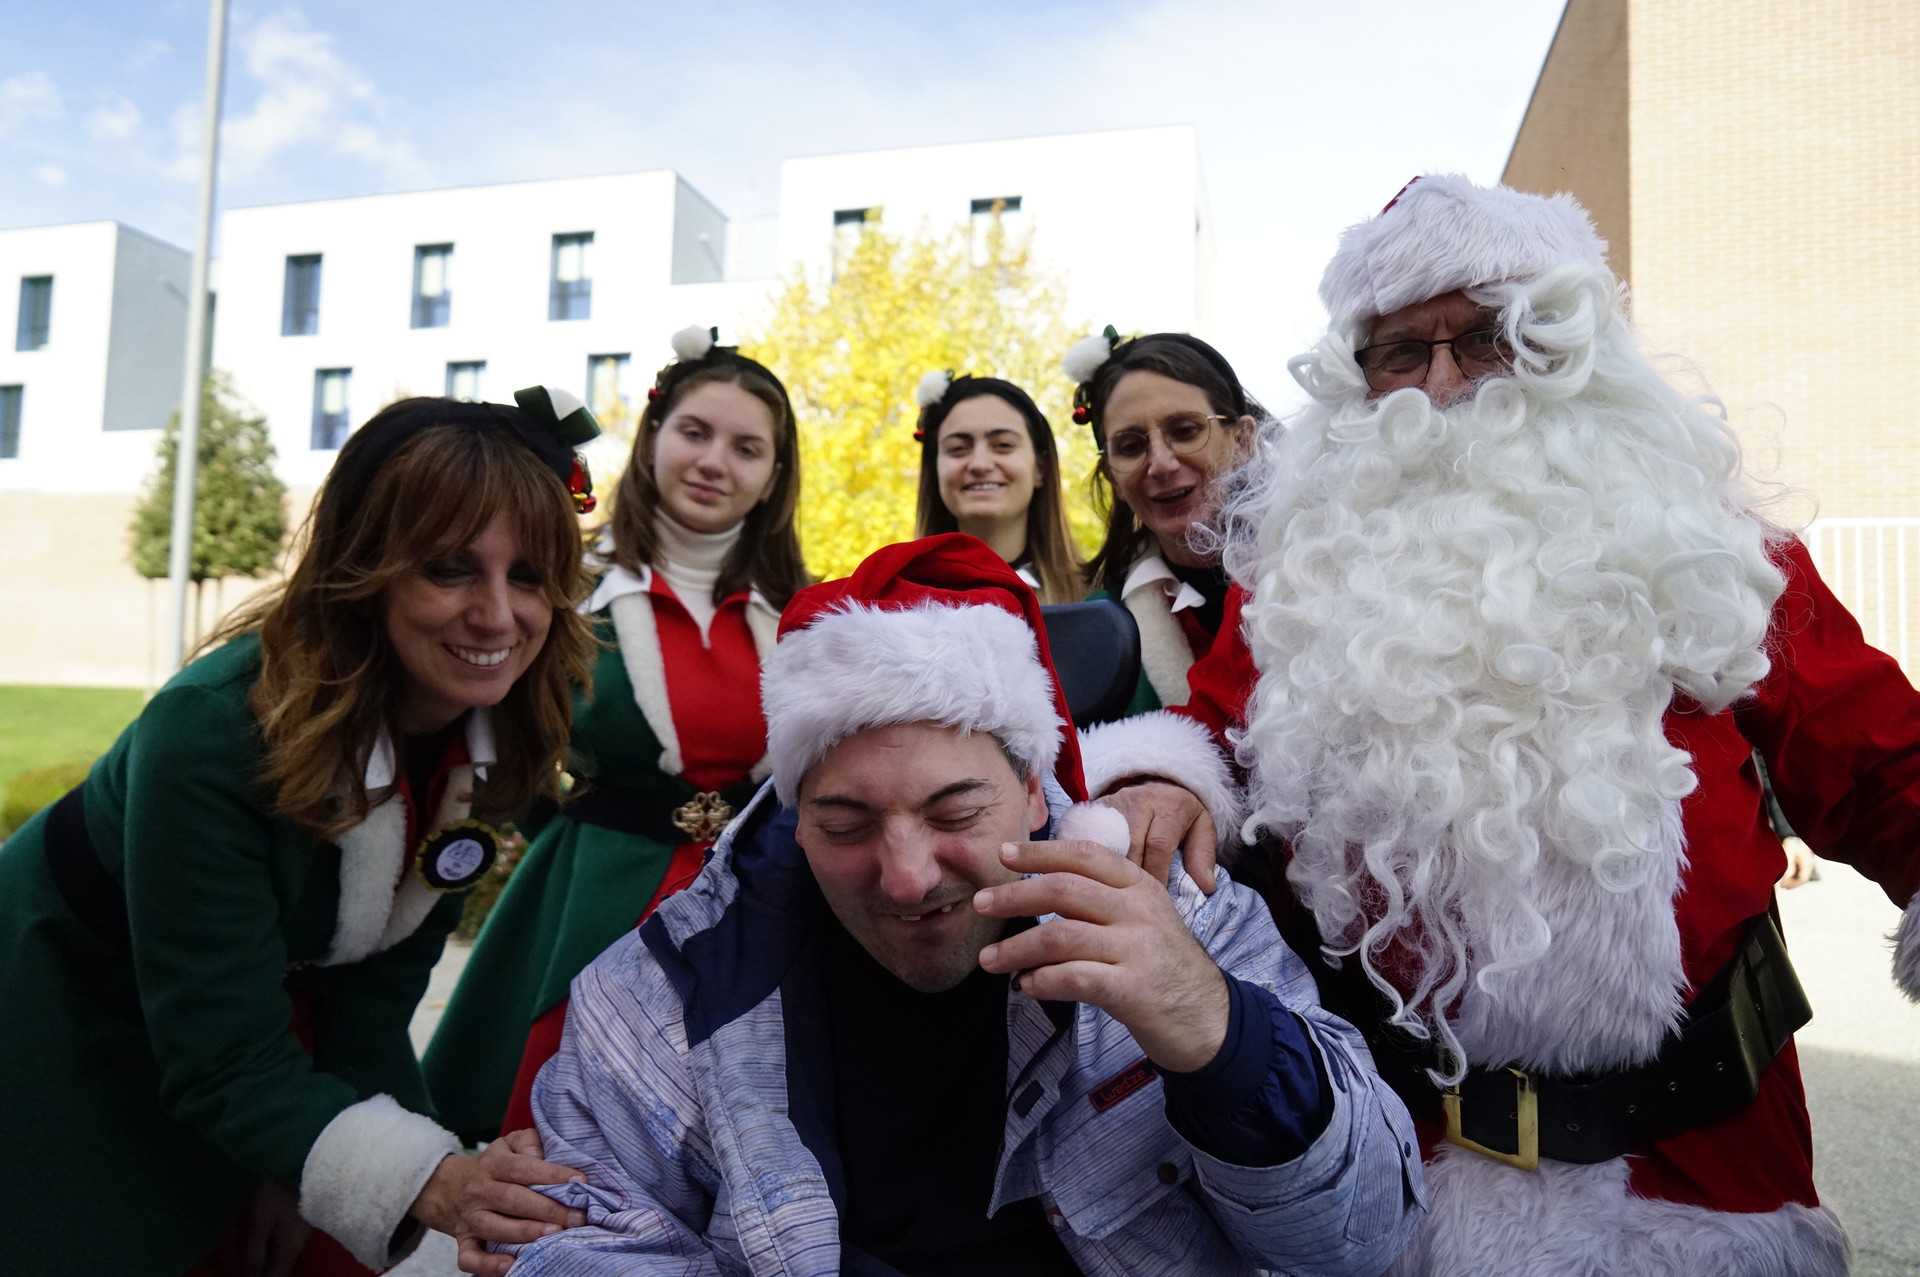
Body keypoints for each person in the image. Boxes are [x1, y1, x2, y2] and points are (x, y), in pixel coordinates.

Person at [1138, 175, 1920, 1275]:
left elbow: (1887, 765)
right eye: (1403, 354)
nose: (1446, 386)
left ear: (1567, 343)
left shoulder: (1708, 546)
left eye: (1487, 338)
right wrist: (1166, 782)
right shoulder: (1305, 582)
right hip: (1427, 1173)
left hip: (1706, 1183)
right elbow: (1209, 736)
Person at [487, 534, 1423, 1276]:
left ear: (1029, 786)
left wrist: (1222, 1038)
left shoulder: (1177, 909)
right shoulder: (669, 988)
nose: (905, 875)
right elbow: (577, 1241)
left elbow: (1362, 1237)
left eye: (954, 811)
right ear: (791, 812)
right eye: (845, 820)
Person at [0, 387, 605, 1275]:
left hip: (249, 1044)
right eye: (448, 569)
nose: (496, 616)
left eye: (527, 578)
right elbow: (222, 1056)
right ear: (365, 570)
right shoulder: (211, 731)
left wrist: (358, 1165)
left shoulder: (498, 728)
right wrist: (440, 1180)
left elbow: (374, 986)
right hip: (70, 1014)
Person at [424, 325, 809, 1151]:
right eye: (695, 433)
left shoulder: (807, 611)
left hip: (759, 903)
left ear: (775, 473)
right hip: (594, 897)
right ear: (654, 437)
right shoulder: (569, 589)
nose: (714, 461)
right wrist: (577, 842)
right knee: (561, 1154)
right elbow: (504, 738)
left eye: (747, 447)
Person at [1066, 328, 1259, 714]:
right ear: (1111, 478)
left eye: (1185, 431)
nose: (1161, 463)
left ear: (1242, 441)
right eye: (1131, 446)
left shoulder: (1329, 578)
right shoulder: (1094, 635)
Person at [911, 369, 1083, 603]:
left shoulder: (1099, 597)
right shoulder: (892, 606)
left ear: (1040, 467)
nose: (980, 464)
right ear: (935, 471)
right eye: (958, 448)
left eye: (1003, 445)